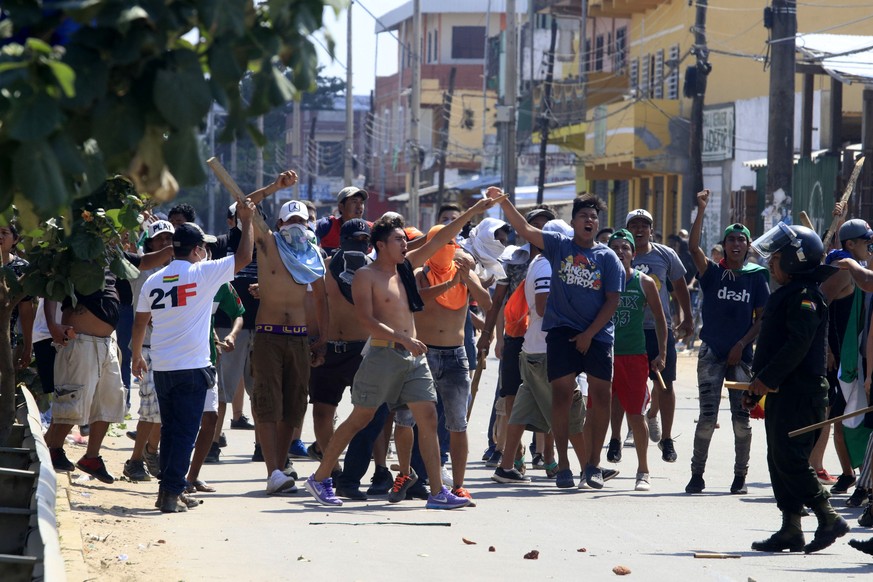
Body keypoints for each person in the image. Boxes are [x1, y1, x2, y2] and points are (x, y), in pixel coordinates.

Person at [304, 199, 496, 509]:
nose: (405, 244)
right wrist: (401, 339)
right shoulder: (367, 275)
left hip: (412, 359)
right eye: (398, 239)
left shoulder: (404, 267)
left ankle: (436, 492)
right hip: (382, 355)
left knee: (429, 418)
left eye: (404, 240)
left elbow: (437, 238)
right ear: (380, 245)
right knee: (360, 419)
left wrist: (473, 211)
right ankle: (320, 477)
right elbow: (367, 320)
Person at [487, 188, 624, 489]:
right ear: (573, 222)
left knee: (601, 397)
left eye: (593, 217)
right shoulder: (559, 246)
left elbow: (612, 300)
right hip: (562, 333)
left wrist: (589, 334)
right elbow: (524, 228)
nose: (589, 220)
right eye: (583, 216)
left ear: (597, 224)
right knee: (561, 396)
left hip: (598, 335)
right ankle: (562, 464)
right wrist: (503, 202)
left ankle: (594, 464)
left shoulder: (608, 257)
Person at [132, 202, 255, 513]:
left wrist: (136, 355)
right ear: (198, 249)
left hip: (162, 368)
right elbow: (244, 257)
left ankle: (167, 491)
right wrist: (248, 220)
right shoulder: (203, 273)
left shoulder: (154, 279)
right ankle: (172, 493)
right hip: (192, 368)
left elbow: (140, 320)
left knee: (171, 430)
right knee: (184, 433)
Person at [745, 222, 849, 553]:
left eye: (776, 258)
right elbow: (773, 347)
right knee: (778, 458)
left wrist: (766, 379)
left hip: (801, 392)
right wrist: (756, 385)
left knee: (791, 458)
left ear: (794, 260)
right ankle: (791, 527)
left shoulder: (806, 297)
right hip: (781, 391)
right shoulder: (787, 294)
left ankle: (828, 515)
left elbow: (797, 345)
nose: (771, 263)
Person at [45, 230, 173, 483]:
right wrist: (52, 325)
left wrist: (172, 249)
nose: (118, 236)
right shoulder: (73, 255)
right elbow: (50, 288)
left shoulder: (112, 256)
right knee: (72, 404)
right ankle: (50, 450)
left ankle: (91, 457)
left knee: (110, 401)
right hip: (79, 340)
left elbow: (145, 261)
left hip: (107, 343)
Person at [685, 190, 769, 495]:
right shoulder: (712, 272)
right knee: (707, 418)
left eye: (742, 240)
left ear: (748, 246)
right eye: (731, 240)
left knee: (741, 421)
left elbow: (763, 318)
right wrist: (701, 209)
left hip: (743, 357)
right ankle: (697, 474)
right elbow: (693, 247)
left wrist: (742, 343)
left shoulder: (756, 277)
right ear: (724, 246)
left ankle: (740, 476)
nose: (736, 245)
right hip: (710, 352)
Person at [408, 223, 492, 503]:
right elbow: (420, 300)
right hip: (425, 353)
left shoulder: (464, 272)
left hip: (456, 355)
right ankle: (413, 478)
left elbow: (487, 303)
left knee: (458, 424)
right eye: (440, 243)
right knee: (419, 422)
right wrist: (451, 283)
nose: (446, 249)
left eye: (450, 243)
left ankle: (458, 484)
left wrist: (466, 279)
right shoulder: (421, 273)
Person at [250, 192, 328, 494]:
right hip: (268, 335)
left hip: (298, 338)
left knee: (293, 408)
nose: (296, 225)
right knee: (267, 404)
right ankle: (272, 471)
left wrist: (323, 339)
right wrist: (275, 186)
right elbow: (247, 206)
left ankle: (280, 469)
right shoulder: (269, 245)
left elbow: (321, 300)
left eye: (302, 221)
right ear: (280, 223)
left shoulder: (313, 256)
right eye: (291, 220)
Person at [626, 208, 694, 463]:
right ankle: (623, 434)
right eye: (634, 225)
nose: (639, 229)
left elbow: (679, 286)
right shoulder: (619, 254)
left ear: (652, 230)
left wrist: (687, 317)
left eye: (644, 225)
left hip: (659, 330)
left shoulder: (666, 254)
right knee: (625, 386)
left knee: (664, 385)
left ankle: (666, 439)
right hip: (628, 331)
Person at [607, 229, 667, 492]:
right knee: (598, 411)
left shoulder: (645, 282)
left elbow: (660, 318)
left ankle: (643, 471)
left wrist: (662, 353)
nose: (620, 251)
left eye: (625, 247)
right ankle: (592, 466)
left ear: (633, 253)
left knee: (636, 413)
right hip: (604, 354)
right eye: (616, 247)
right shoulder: (601, 280)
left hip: (634, 354)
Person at [122, 219, 176, 482]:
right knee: (149, 411)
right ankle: (135, 460)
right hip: (148, 347)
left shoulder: (182, 270)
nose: (167, 244)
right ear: (150, 244)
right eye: (161, 239)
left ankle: (150, 452)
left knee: (164, 412)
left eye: (171, 239)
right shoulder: (142, 270)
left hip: (173, 348)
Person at [315, 186, 368, 255]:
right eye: (354, 202)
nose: (359, 206)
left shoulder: (369, 229)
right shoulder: (327, 226)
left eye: (361, 202)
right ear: (341, 207)